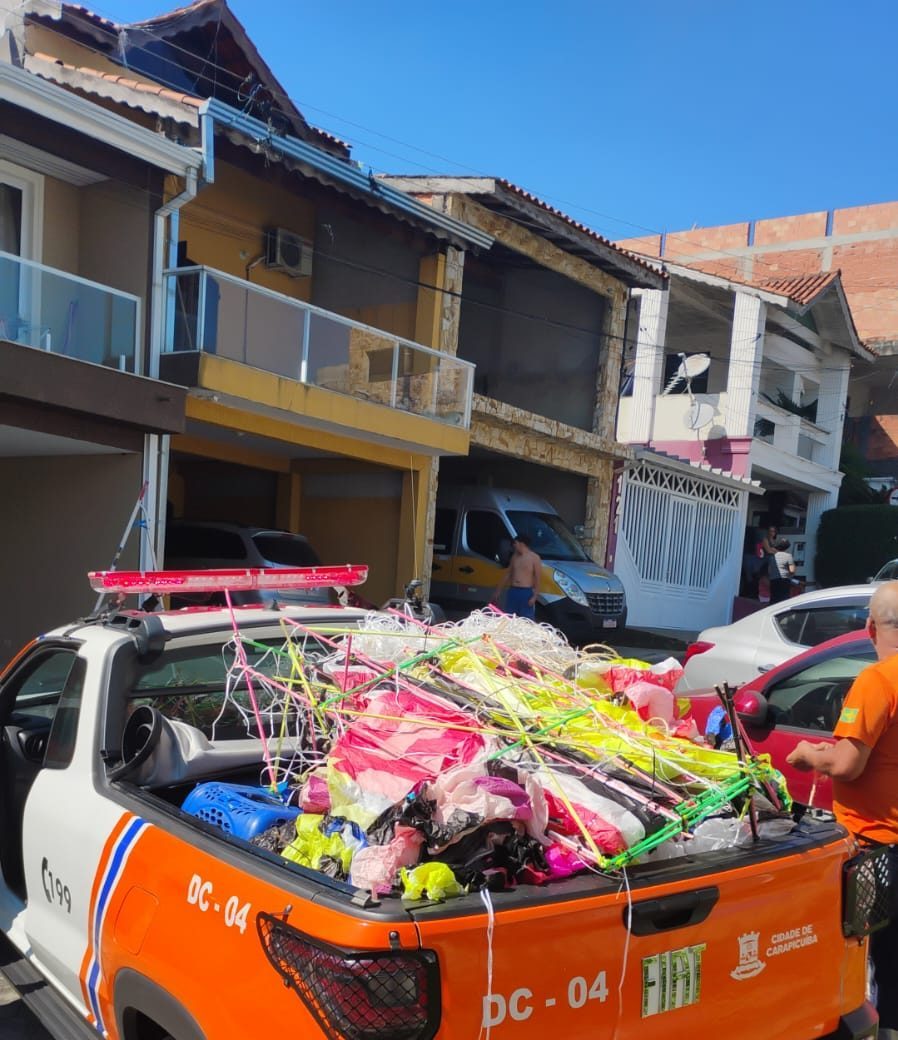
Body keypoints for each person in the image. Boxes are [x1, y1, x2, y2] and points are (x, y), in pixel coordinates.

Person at [786, 581, 898, 1038]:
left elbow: (848, 764)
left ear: (870, 628)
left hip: (878, 850)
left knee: (870, 960)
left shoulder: (878, 680)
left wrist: (809, 755)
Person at [494, 533, 542, 619]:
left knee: (526, 619)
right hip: (513, 591)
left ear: (522, 544)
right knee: (509, 617)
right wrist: (498, 591)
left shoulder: (535, 558)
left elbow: (538, 578)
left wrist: (535, 597)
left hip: (526, 592)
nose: (514, 545)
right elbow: (508, 574)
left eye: (515, 543)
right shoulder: (514, 557)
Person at [769, 536, 796, 604]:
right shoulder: (788, 556)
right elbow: (792, 570)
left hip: (774, 580)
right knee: (784, 601)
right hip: (784, 581)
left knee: (774, 599)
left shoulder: (772, 556)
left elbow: (769, 570)